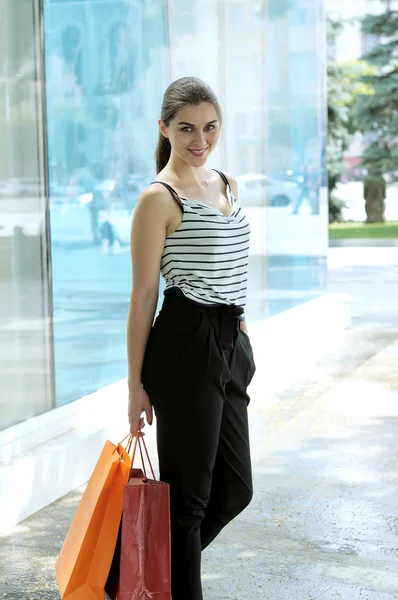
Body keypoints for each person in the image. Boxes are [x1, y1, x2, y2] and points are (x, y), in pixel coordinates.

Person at [126, 76, 256, 600]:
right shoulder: (158, 199)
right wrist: (135, 386)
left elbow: (232, 266)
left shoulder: (227, 183)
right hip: (184, 344)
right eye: (186, 128)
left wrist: (242, 336)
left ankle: (141, 574)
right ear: (164, 128)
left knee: (236, 488)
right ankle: (165, 581)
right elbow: (142, 299)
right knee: (189, 501)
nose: (199, 139)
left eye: (209, 127)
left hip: (229, 341)